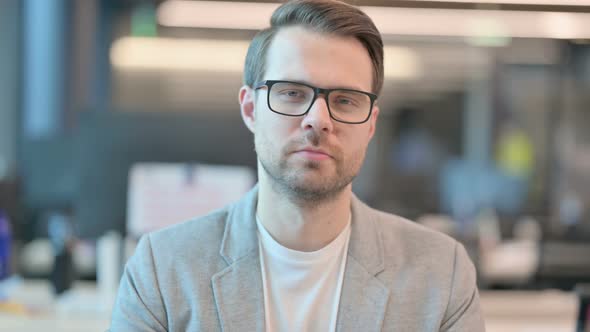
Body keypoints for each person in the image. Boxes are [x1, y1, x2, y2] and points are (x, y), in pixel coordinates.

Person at [110, 0, 485, 331]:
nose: (318, 119)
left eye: (345, 100)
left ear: (371, 123)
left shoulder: (440, 273)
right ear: (250, 108)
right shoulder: (164, 268)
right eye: (292, 93)